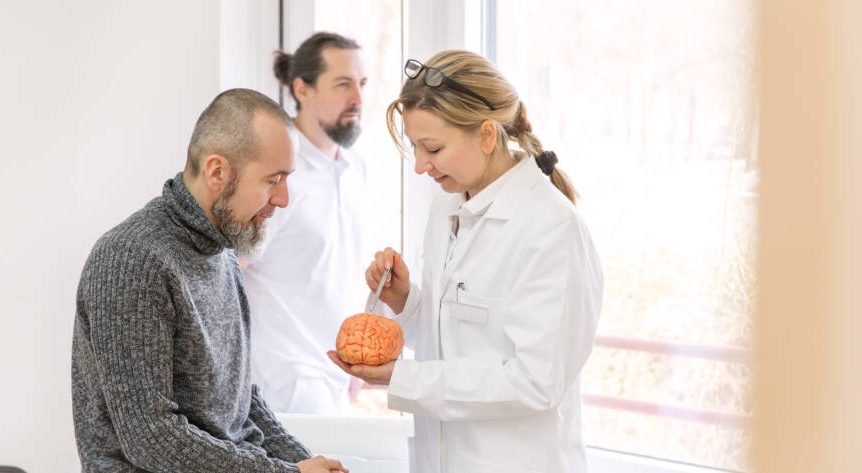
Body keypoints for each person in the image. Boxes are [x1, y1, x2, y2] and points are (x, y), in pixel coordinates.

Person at [328, 51, 604, 473]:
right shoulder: (448, 206)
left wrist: (402, 379)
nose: (420, 166)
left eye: (432, 148)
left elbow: (536, 381)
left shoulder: (552, 229)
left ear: (487, 135)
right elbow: (458, 336)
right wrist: (407, 301)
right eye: (414, 147)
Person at [71, 88, 347, 473]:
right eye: (273, 180)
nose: (283, 199)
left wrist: (305, 462)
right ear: (217, 172)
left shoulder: (224, 254)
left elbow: (242, 406)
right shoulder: (131, 258)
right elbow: (152, 439)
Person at [241, 32, 369, 414]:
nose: (358, 99)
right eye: (343, 84)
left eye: (361, 84)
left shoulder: (356, 168)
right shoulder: (276, 170)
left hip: (338, 377)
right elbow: (228, 269)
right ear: (303, 90)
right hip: (284, 380)